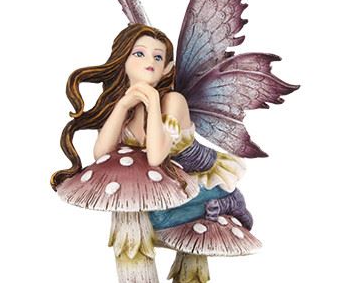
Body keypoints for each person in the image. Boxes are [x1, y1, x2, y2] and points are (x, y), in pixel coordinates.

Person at [51, 23, 253, 231]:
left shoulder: (173, 101)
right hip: (168, 181)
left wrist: (154, 102)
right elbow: (102, 155)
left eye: (158, 57)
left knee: (155, 220)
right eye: (139, 54)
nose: (150, 62)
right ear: (123, 59)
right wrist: (122, 106)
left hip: (199, 177)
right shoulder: (120, 106)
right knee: (137, 211)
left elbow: (156, 158)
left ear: (167, 69)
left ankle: (229, 200)